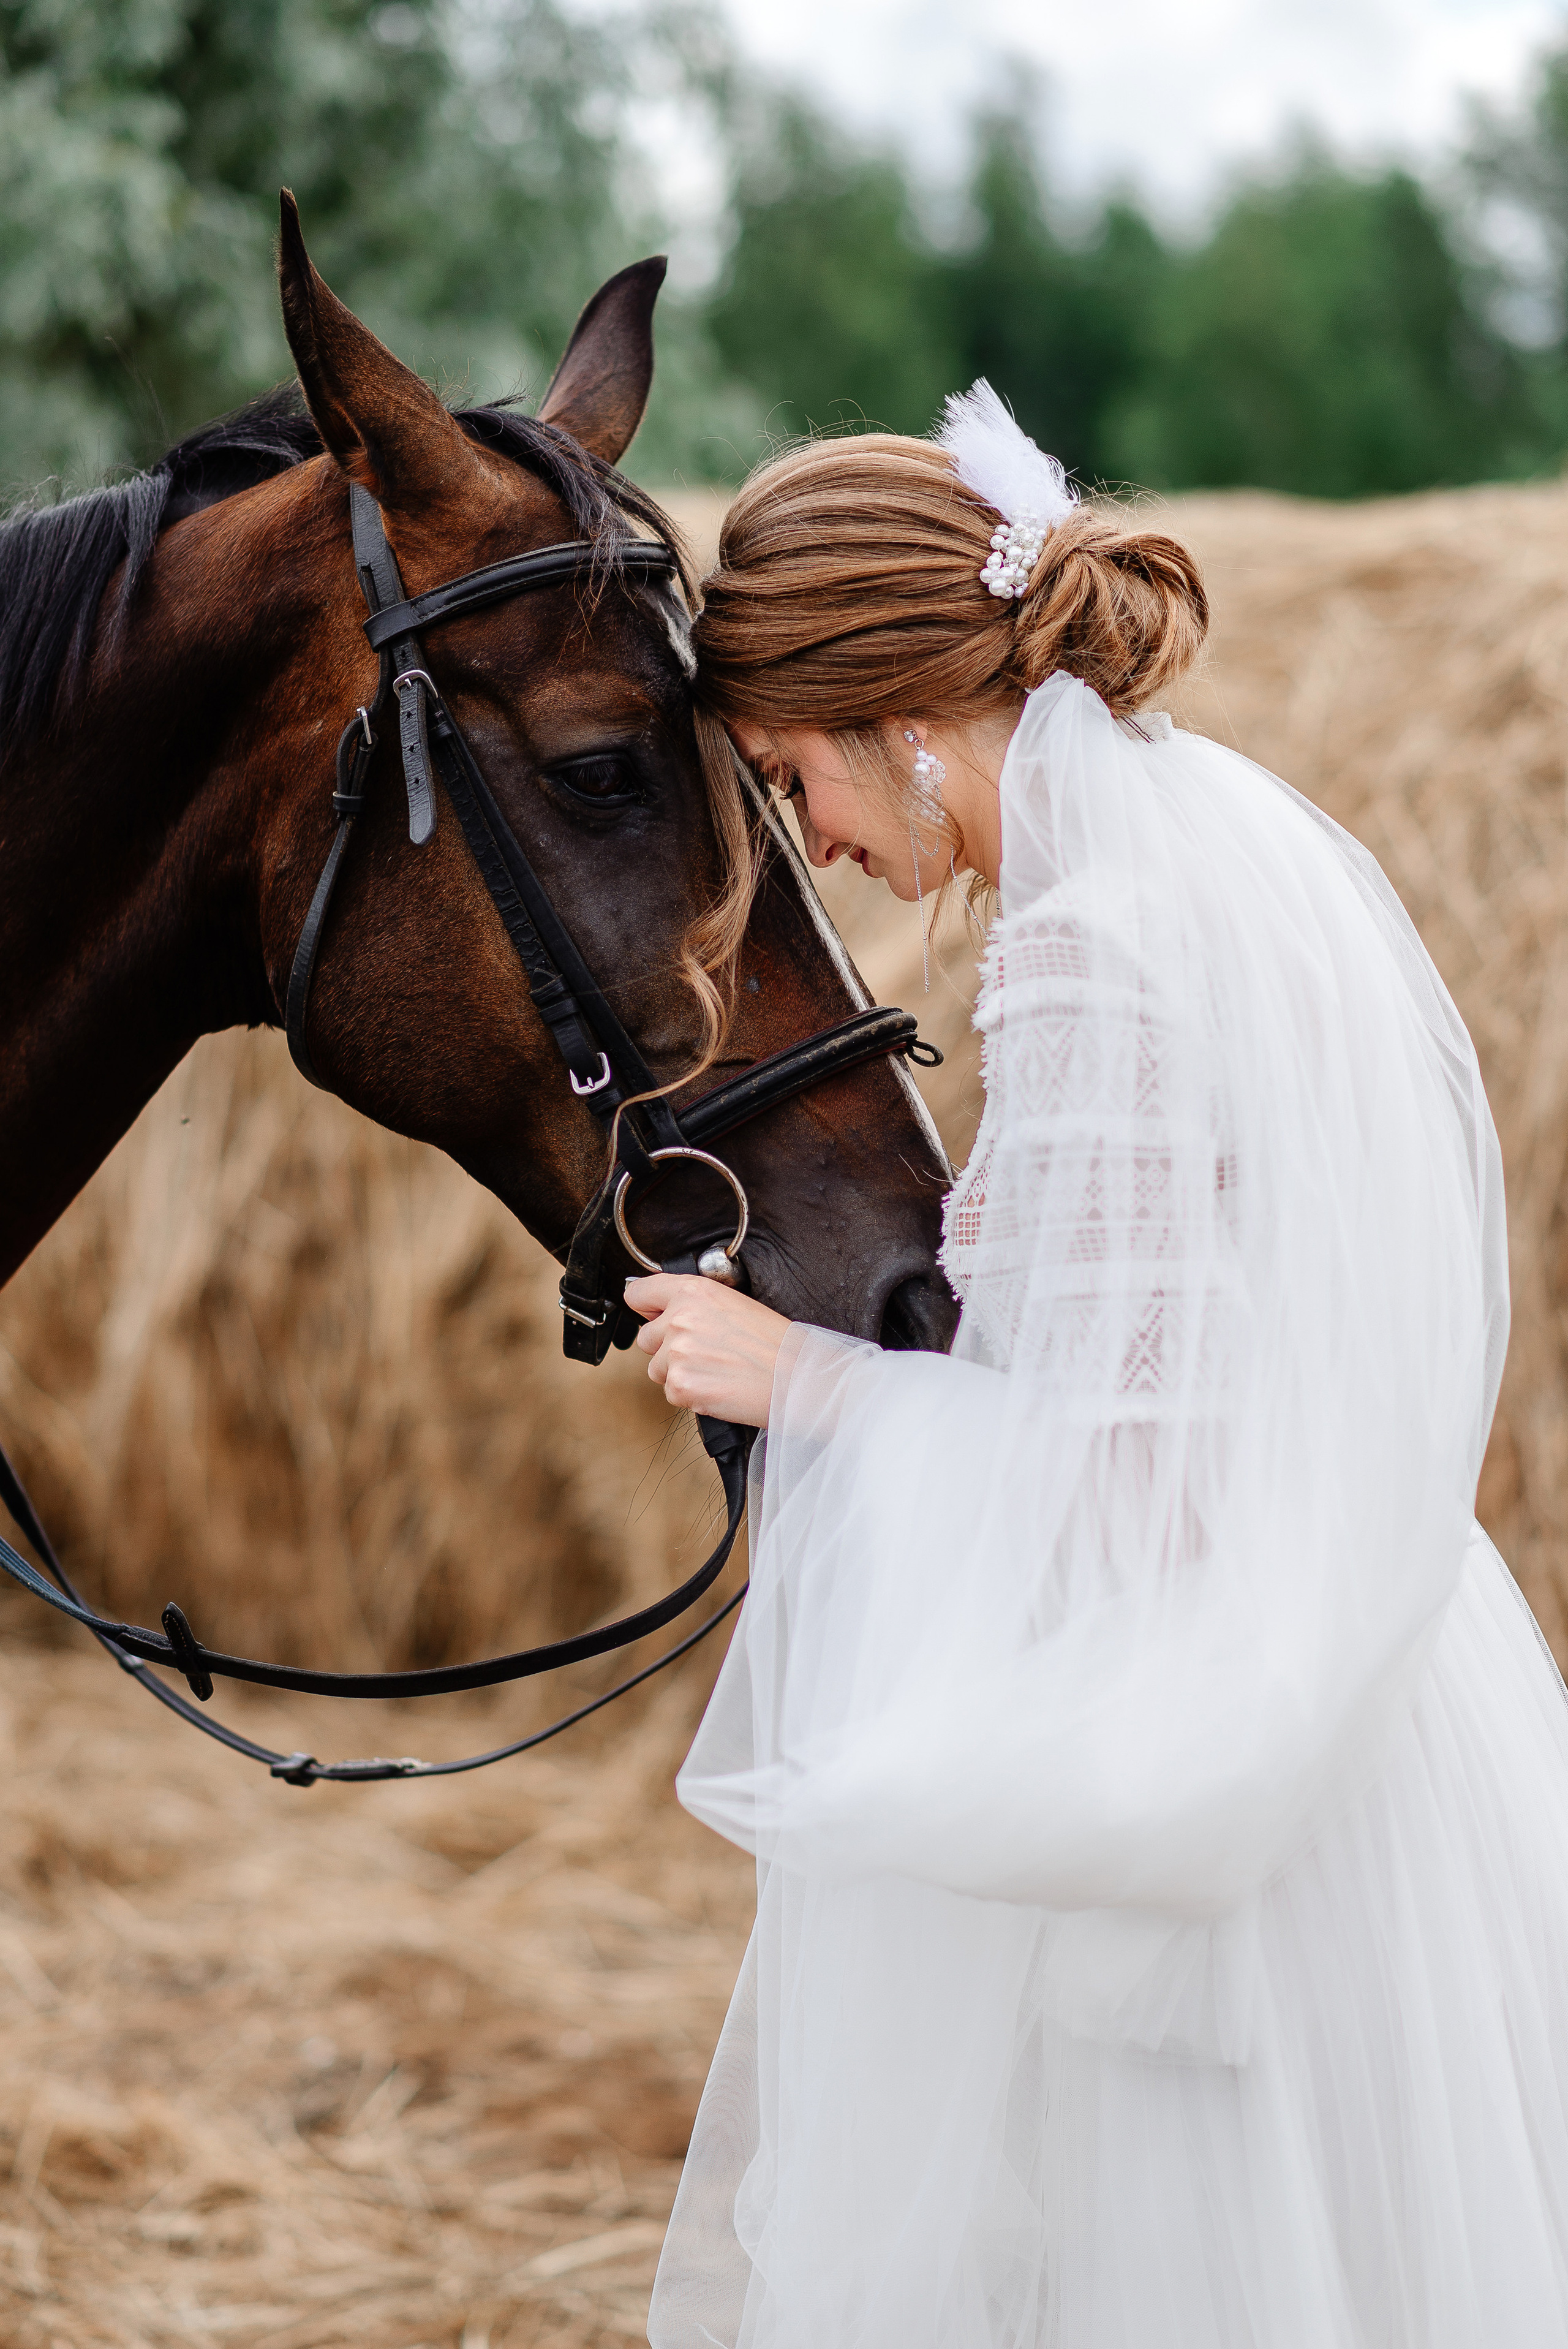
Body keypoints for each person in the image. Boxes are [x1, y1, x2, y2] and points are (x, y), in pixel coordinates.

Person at [630, 385, 1568, 2349]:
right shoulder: (1222, 843)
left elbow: (1129, 1487)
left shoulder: (1085, 949)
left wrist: (791, 1377)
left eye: (795, 777)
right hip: (1382, 1679)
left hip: (1227, 1760)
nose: (814, 839)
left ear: (899, 710)